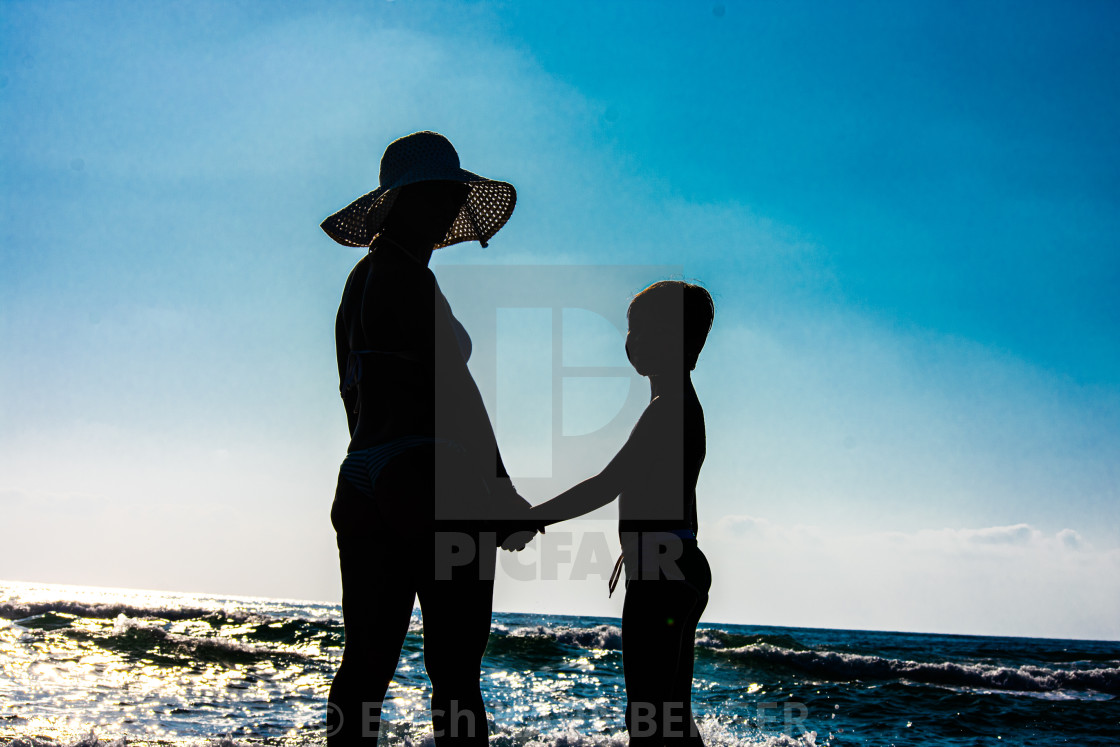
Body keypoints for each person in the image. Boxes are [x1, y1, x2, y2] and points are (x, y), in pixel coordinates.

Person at [320, 131, 535, 745]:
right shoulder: (412, 282)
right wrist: (502, 490)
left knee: (364, 666)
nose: (448, 208)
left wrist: (381, 465)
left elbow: (351, 393)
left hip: (362, 475)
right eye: (442, 195)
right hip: (429, 473)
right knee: (456, 671)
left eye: (452, 195)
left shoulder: (359, 282)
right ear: (406, 203)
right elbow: (456, 395)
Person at [527, 280, 714, 745]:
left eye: (638, 330)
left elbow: (607, 485)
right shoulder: (680, 406)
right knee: (671, 719)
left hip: (660, 573)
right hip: (678, 564)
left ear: (670, 337)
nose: (628, 342)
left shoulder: (667, 409)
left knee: (647, 723)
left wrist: (531, 518)